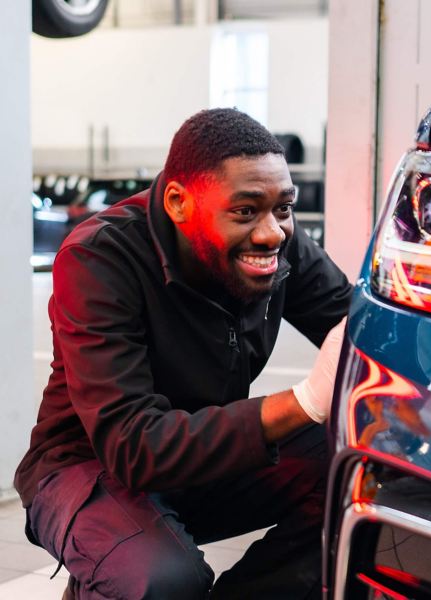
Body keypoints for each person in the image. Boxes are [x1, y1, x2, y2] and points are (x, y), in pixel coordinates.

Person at [14, 108, 352, 599]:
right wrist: (302, 402)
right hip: (87, 470)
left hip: (200, 457)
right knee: (163, 578)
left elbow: (361, 328)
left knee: (359, 465)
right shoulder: (100, 257)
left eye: (284, 207)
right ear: (178, 202)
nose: (272, 232)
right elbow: (133, 445)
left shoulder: (279, 241)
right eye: (245, 211)